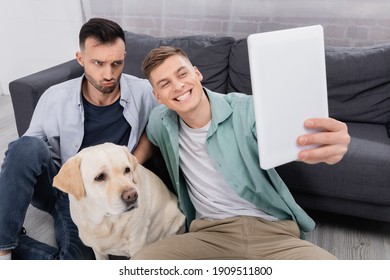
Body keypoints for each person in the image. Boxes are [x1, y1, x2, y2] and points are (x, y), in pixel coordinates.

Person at [131, 46, 351, 260]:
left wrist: (327, 146)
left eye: (182, 74)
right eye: (165, 84)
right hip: (208, 234)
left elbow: (295, 135)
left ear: (197, 74)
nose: (178, 86)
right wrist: (129, 167)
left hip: (273, 232)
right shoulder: (160, 121)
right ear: (158, 96)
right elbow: (149, 138)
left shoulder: (249, 110)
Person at [0, 18, 157, 260]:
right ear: (80, 59)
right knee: (25, 146)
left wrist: (133, 164)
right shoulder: (55, 97)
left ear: (125, 56)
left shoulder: (143, 92)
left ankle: (11, 239)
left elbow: (160, 126)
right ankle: (3, 248)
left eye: (117, 63)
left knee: (80, 262)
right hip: (61, 185)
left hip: (100, 195)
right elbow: (24, 155)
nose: (109, 74)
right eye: (98, 63)